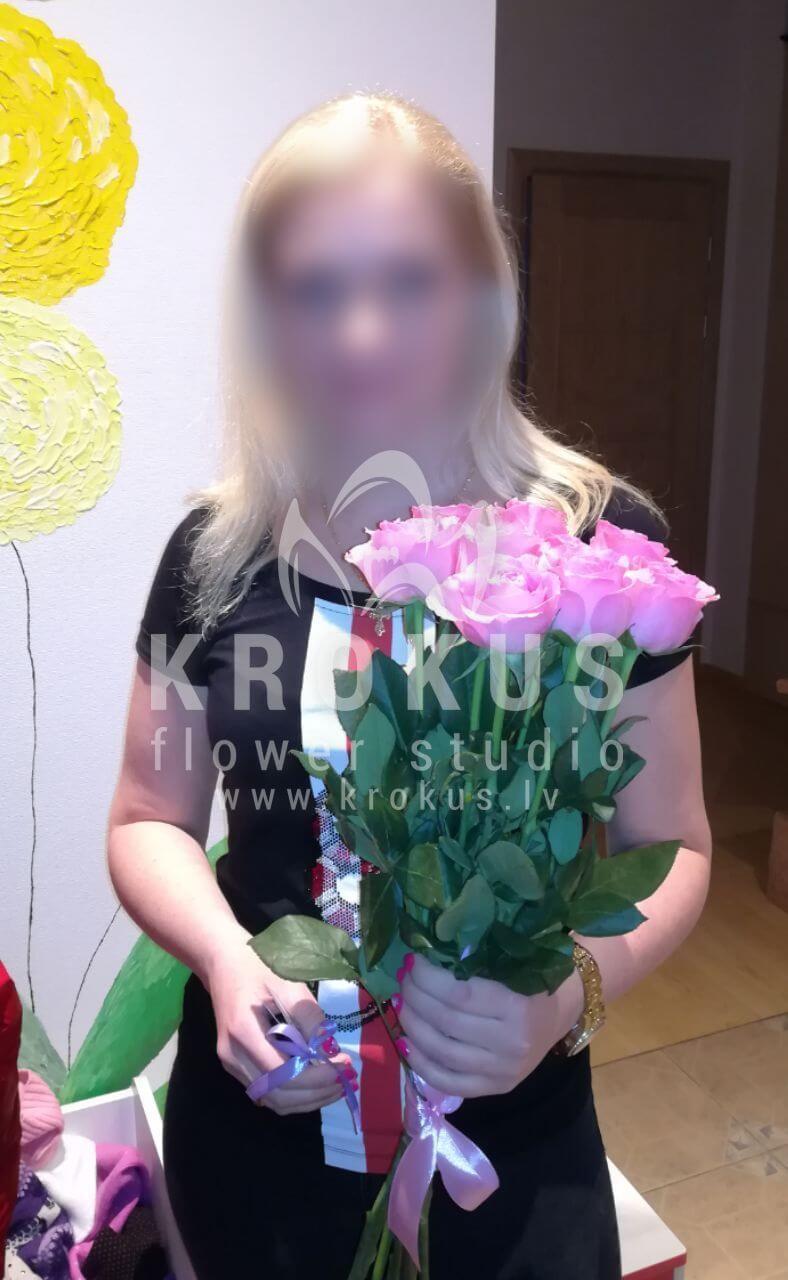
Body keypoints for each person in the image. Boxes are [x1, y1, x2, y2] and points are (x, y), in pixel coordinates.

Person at [108, 93, 712, 1280]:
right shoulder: (214, 555)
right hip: (260, 1150)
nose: (362, 331)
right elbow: (144, 820)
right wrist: (226, 956)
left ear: (480, 290)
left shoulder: (599, 550)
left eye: (408, 279)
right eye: (315, 288)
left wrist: (565, 998)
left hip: (513, 1157)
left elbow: (675, 845)